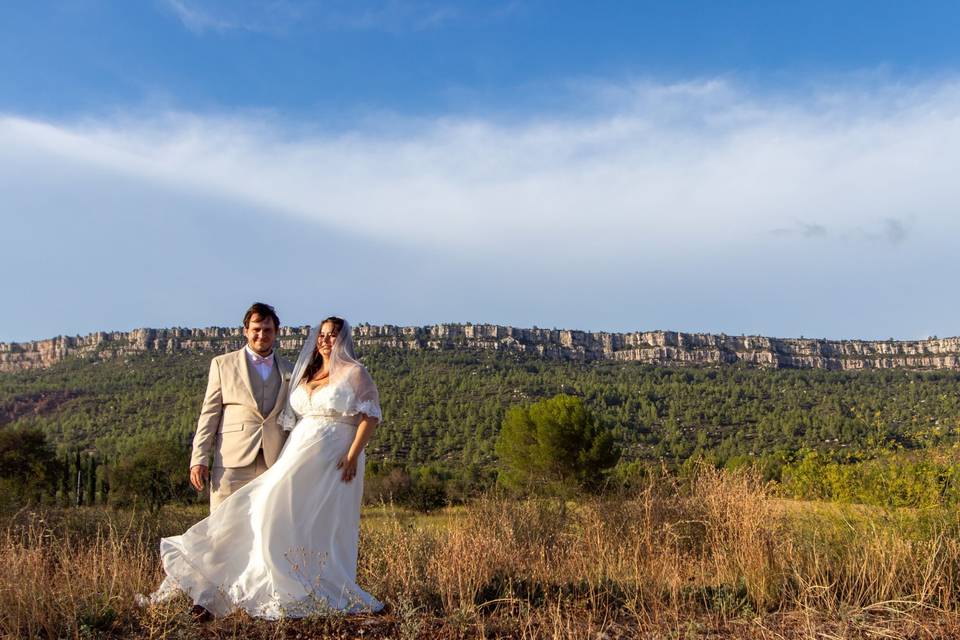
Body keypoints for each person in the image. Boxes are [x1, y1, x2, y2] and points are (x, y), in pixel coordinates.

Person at [149, 316, 383, 619]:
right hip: (294, 455)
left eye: (333, 335)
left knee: (322, 522)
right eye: (322, 334)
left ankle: (313, 583)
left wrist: (352, 455)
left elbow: (371, 415)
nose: (326, 340)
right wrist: (200, 457)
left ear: (343, 339)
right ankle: (230, 588)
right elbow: (213, 414)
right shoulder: (304, 372)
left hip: (333, 459)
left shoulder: (355, 372)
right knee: (267, 511)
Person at [190, 302, 293, 512]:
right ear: (246, 331)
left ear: (276, 333)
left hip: (274, 463)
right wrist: (199, 458)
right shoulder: (222, 364)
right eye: (256, 329)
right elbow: (209, 415)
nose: (261, 335)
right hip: (231, 462)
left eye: (267, 330)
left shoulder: (291, 370)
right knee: (223, 530)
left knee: (267, 529)